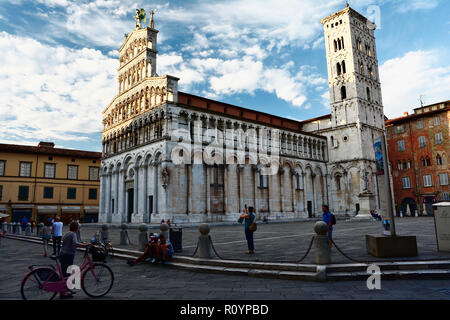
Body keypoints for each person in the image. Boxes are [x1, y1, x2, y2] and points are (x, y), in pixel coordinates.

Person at [58, 221, 88, 299]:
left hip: (62, 254)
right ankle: (63, 292)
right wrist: (85, 245)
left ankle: (66, 289)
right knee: (66, 274)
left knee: (66, 272)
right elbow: (75, 243)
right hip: (68, 255)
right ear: (76, 228)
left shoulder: (67, 233)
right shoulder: (73, 234)